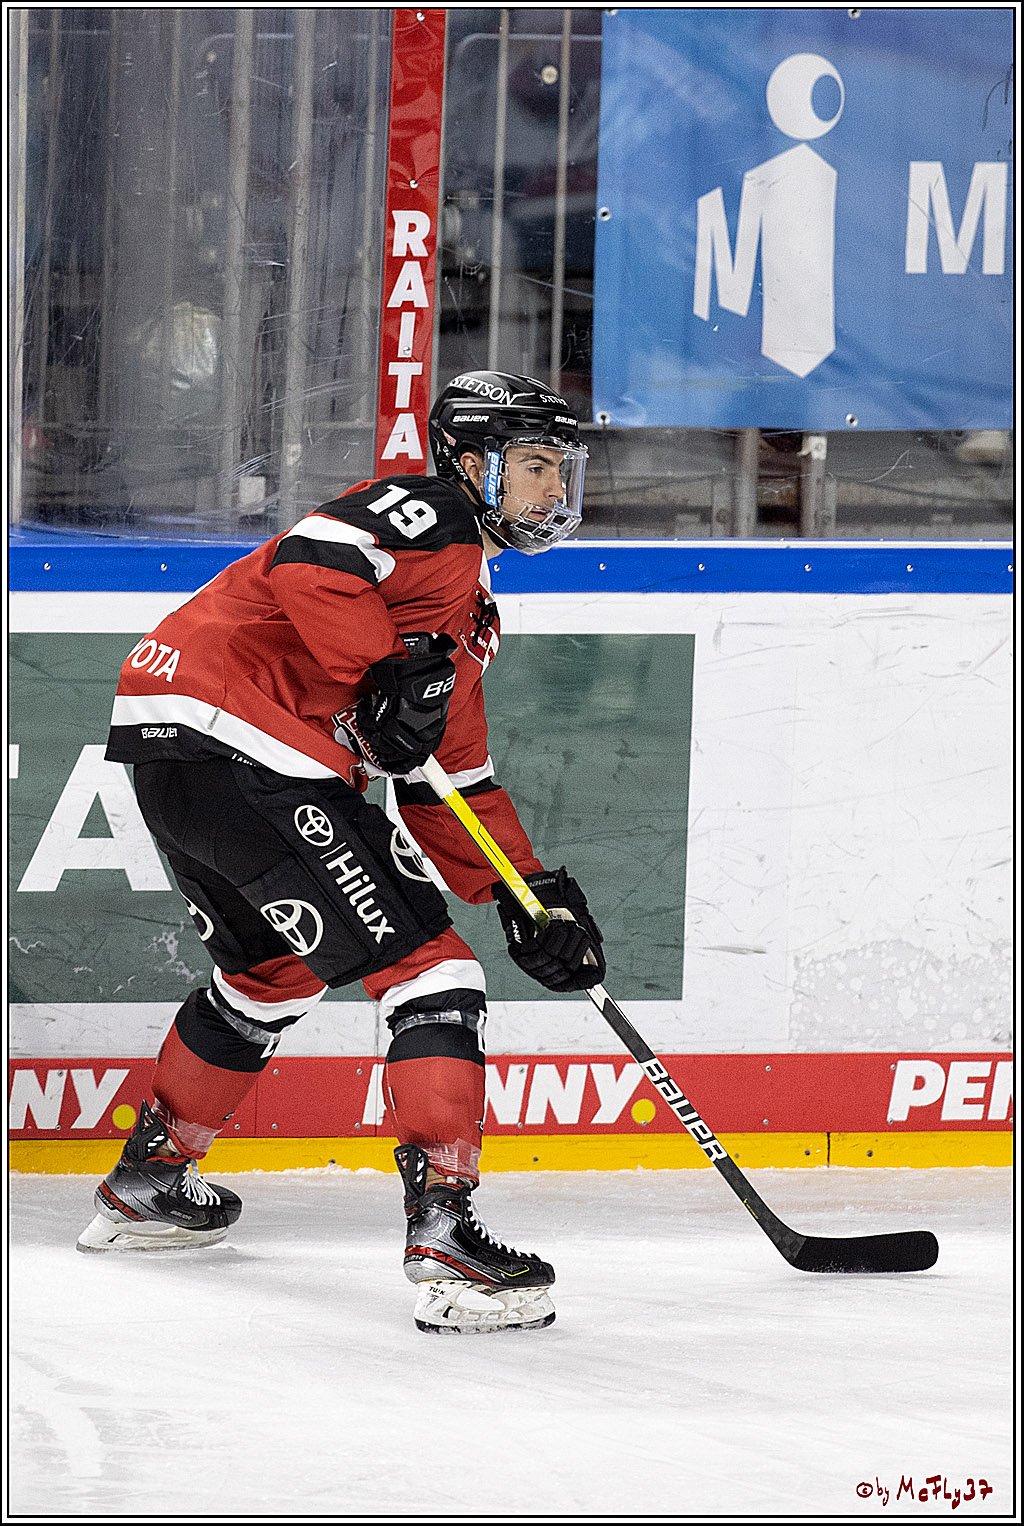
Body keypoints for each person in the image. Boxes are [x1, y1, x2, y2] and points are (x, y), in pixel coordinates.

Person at [76, 371, 606, 1333]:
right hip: (247, 740)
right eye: (534, 467)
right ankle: (444, 1235)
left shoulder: (464, 608)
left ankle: (147, 1187)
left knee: (269, 973)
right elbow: (314, 559)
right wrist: (380, 674)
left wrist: (525, 893)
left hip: (179, 746)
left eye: (561, 470)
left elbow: (451, 772)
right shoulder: (432, 513)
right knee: (433, 980)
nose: (554, 492)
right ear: (474, 463)